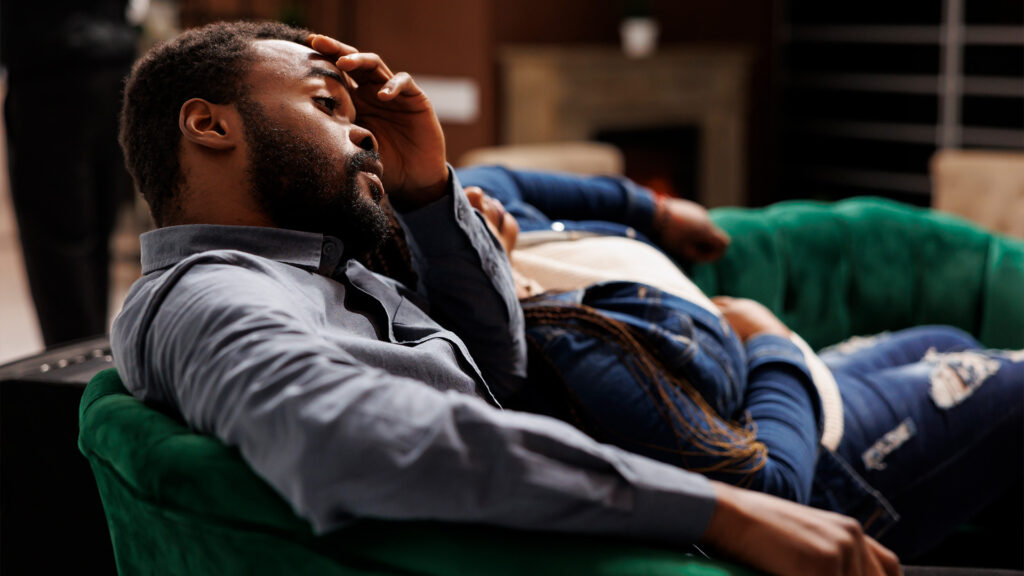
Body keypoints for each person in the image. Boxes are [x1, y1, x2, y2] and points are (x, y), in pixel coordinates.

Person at [112, 21, 901, 575]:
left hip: (653, 501)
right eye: (325, 105)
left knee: (928, 348)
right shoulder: (210, 294)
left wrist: (425, 188)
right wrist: (715, 511)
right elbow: (349, 438)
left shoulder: (319, 267)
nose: (362, 136)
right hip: (672, 536)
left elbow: (499, 359)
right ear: (209, 125)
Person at [453, 165, 1024, 561]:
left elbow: (508, 178)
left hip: (795, 380)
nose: (472, 197)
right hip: (815, 455)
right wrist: (770, 340)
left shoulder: (487, 210)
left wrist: (657, 210)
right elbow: (770, 493)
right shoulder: (572, 353)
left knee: (948, 337)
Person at [2, 0, 138, 346]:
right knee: (94, 227)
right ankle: (90, 355)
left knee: (57, 239)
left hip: (49, 66)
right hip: (112, 62)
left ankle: (72, 371)